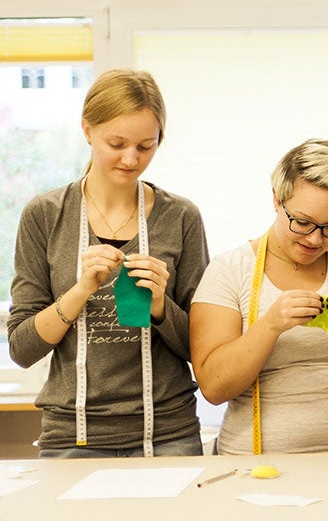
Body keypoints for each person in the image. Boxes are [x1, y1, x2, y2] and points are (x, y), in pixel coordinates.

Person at [8, 68, 209, 458]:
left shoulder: (181, 217)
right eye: (116, 143)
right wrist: (81, 290)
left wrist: (160, 306)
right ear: (87, 129)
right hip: (72, 436)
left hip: (167, 434)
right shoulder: (45, 216)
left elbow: (201, 349)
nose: (131, 159)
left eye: (146, 146)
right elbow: (22, 348)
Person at [190, 139, 328, 454]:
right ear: (276, 198)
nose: (315, 239)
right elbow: (214, 388)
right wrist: (270, 325)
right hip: (254, 464)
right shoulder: (229, 270)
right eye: (303, 222)